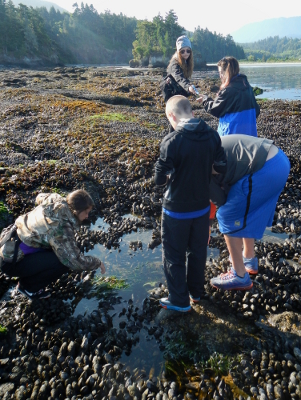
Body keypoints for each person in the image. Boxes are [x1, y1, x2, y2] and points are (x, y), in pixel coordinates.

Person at [154, 95, 227, 312]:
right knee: (197, 251)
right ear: (192, 112)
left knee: (173, 255)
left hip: (176, 209)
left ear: (171, 115)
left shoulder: (171, 141)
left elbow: (159, 178)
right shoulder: (212, 136)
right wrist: (204, 169)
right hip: (202, 208)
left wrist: (171, 176)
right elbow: (221, 167)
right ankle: (196, 292)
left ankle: (179, 300)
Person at [209, 134, 290, 290]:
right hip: (278, 161)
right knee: (245, 209)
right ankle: (249, 259)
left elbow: (220, 201)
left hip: (265, 169)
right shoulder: (201, 147)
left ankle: (239, 275)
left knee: (227, 215)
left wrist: (207, 222)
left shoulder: (194, 167)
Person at [0, 189, 106, 300]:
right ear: (76, 211)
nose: (87, 216)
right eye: (86, 212)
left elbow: (39, 197)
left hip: (7, 240)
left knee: (68, 248)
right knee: (63, 262)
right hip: (10, 261)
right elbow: (75, 261)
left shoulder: (54, 199)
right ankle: (28, 288)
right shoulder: (61, 227)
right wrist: (97, 263)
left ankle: (31, 272)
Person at [198, 56, 260, 137]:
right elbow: (257, 110)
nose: (220, 76)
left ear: (227, 72)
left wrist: (205, 99)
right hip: (250, 135)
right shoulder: (247, 87)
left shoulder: (228, 90)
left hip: (231, 136)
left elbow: (214, 109)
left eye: (221, 73)